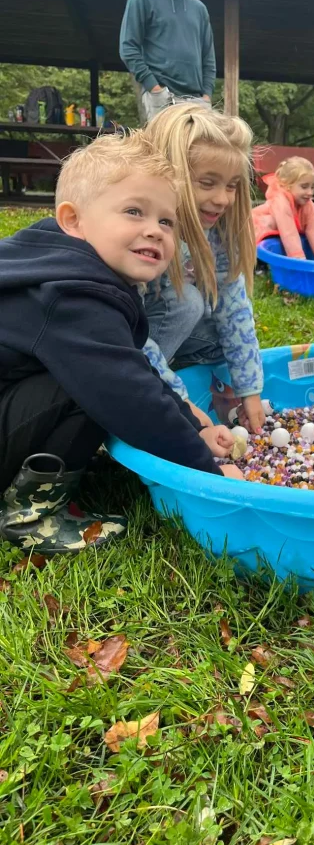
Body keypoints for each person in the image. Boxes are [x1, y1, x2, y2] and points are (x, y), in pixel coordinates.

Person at [0, 132, 244, 555]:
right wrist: (210, 476)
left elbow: (133, 367)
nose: (154, 231)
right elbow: (132, 397)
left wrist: (192, 423)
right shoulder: (71, 295)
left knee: (99, 378)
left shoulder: (62, 264)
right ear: (73, 219)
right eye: (134, 212)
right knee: (90, 389)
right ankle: (31, 515)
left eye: (166, 222)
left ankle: (41, 466)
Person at [141, 104, 265, 434]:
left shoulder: (220, 232)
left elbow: (234, 309)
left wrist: (249, 389)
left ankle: (168, 373)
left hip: (171, 333)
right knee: (187, 304)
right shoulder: (140, 234)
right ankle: (150, 385)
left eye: (232, 185)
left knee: (219, 332)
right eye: (207, 183)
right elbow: (124, 330)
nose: (223, 199)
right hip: (127, 337)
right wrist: (180, 404)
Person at [119, 0, 215, 125]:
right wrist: (154, 88)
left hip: (197, 103)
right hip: (162, 98)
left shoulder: (199, 9)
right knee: (162, 155)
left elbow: (208, 58)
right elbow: (128, 48)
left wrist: (207, 95)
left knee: (199, 155)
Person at [252, 156, 314, 261]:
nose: (310, 192)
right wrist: (299, 260)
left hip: (281, 235)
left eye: (312, 187)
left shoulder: (308, 204)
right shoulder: (280, 201)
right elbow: (289, 232)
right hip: (253, 234)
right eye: (304, 187)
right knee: (270, 221)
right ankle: (259, 262)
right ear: (286, 185)